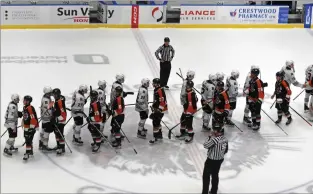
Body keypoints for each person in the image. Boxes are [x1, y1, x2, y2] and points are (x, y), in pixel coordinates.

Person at [202, 127, 228, 194]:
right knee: (215, 175)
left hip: (211, 161)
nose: (214, 132)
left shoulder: (215, 140)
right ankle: (214, 191)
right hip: (219, 160)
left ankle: (205, 192)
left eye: (215, 131)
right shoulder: (225, 139)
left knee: (206, 177)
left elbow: (205, 145)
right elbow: (226, 150)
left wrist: (209, 137)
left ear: (218, 132)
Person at [149, 78, 168, 144]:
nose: (153, 84)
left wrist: (159, 110)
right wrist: (154, 106)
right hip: (158, 109)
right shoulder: (157, 89)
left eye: (154, 83)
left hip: (160, 110)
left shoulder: (160, 90)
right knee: (157, 122)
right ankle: (159, 135)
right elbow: (157, 100)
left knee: (155, 123)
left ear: (157, 84)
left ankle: (155, 137)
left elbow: (162, 102)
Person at [22, 95, 39, 161]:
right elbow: (26, 116)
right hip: (27, 126)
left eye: (26, 100)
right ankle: (30, 151)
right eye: (24, 100)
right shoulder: (25, 107)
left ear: (29, 102)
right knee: (28, 139)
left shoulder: (29, 108)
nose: (24, 101)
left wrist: (31, 128)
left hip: (30, 127)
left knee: (28, 140)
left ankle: (27, 153)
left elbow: (33, 118)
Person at [51, 88, 67, 155]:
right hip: (58, 120)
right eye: (53, 94)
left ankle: (62, 147)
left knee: (60, 134)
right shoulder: (57, 100)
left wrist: (55, 115)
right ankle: (58, 146)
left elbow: (61, 112)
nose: (54, 96)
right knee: (57, 133)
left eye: (55, 94)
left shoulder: (59, 101)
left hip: (60, 120)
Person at [39, 86, 54, 151]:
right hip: (47, 118)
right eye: (50, 92)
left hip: (45, 117)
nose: (51, 93)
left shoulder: (46, 98)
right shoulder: (46, 100)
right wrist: (52, 112)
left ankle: (41, 143)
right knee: (47, 131)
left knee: (43, 130)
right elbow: (48, 109)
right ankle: (44, 145)